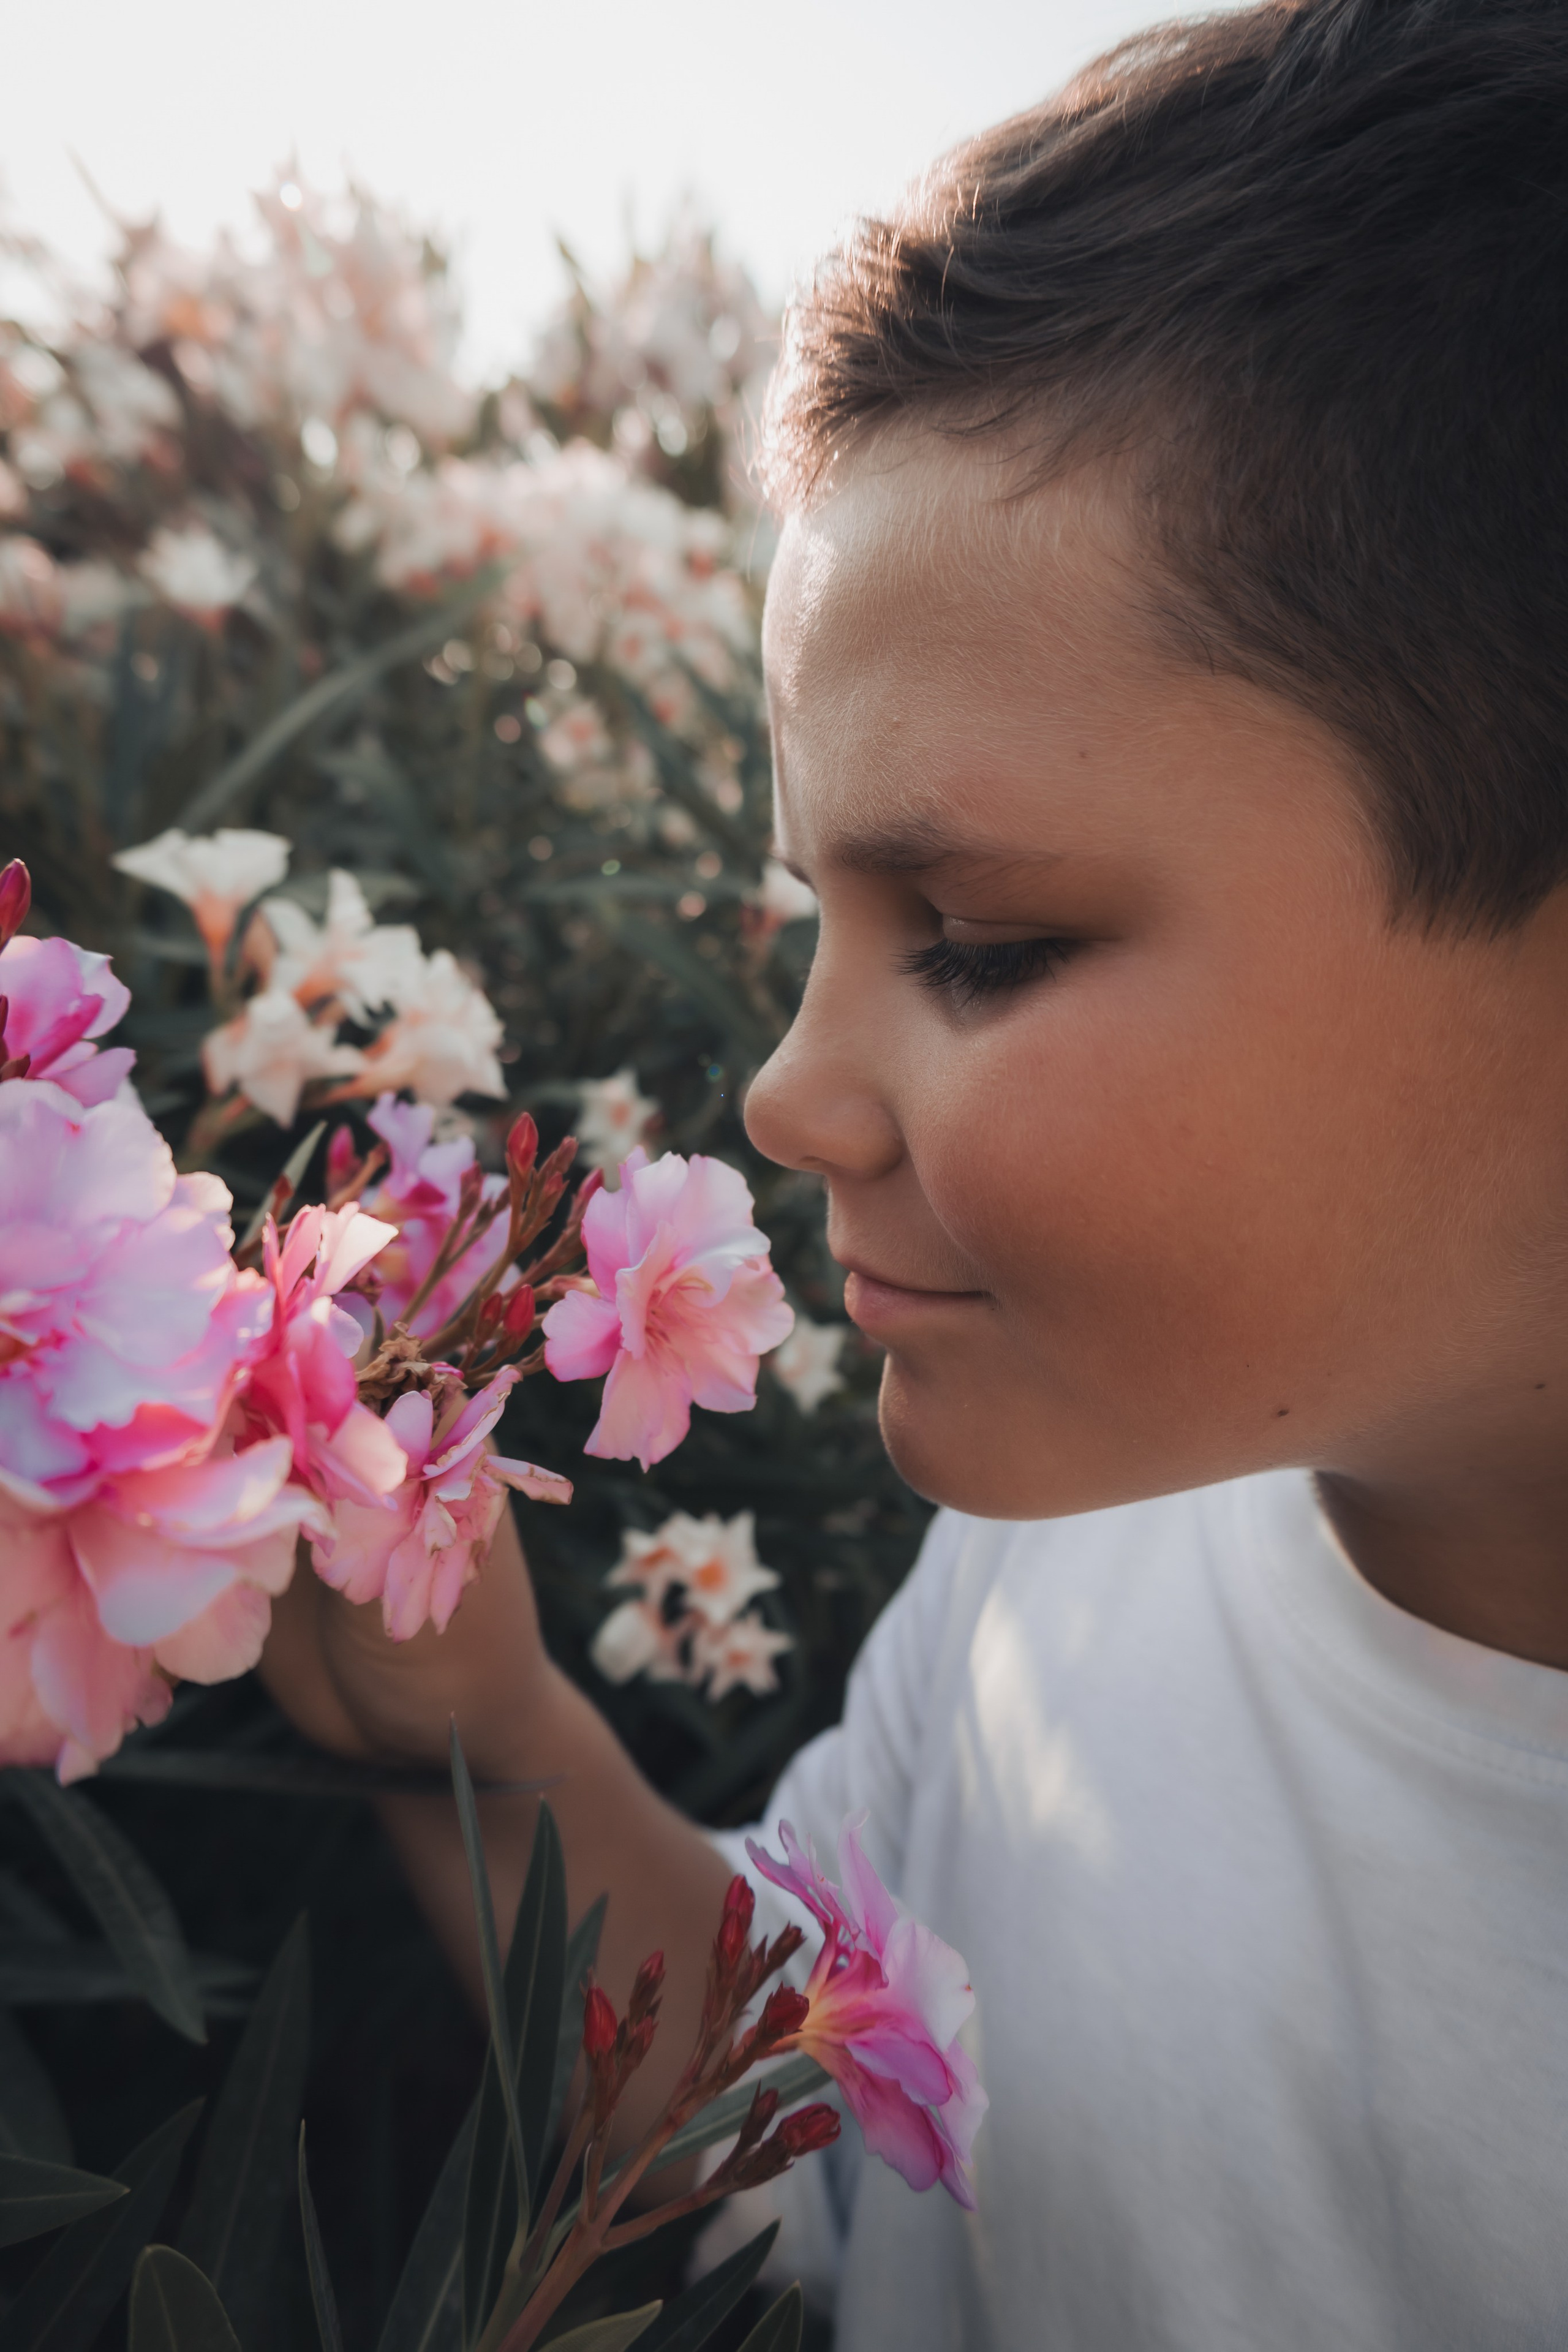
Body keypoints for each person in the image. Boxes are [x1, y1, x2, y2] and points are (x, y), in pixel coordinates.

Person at [262, 0, 1568, 2340]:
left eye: (978, 943)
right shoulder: (1071, 1540)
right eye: (816, 923)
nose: (783, 1094)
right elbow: (808, 2105)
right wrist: (493, 1744)